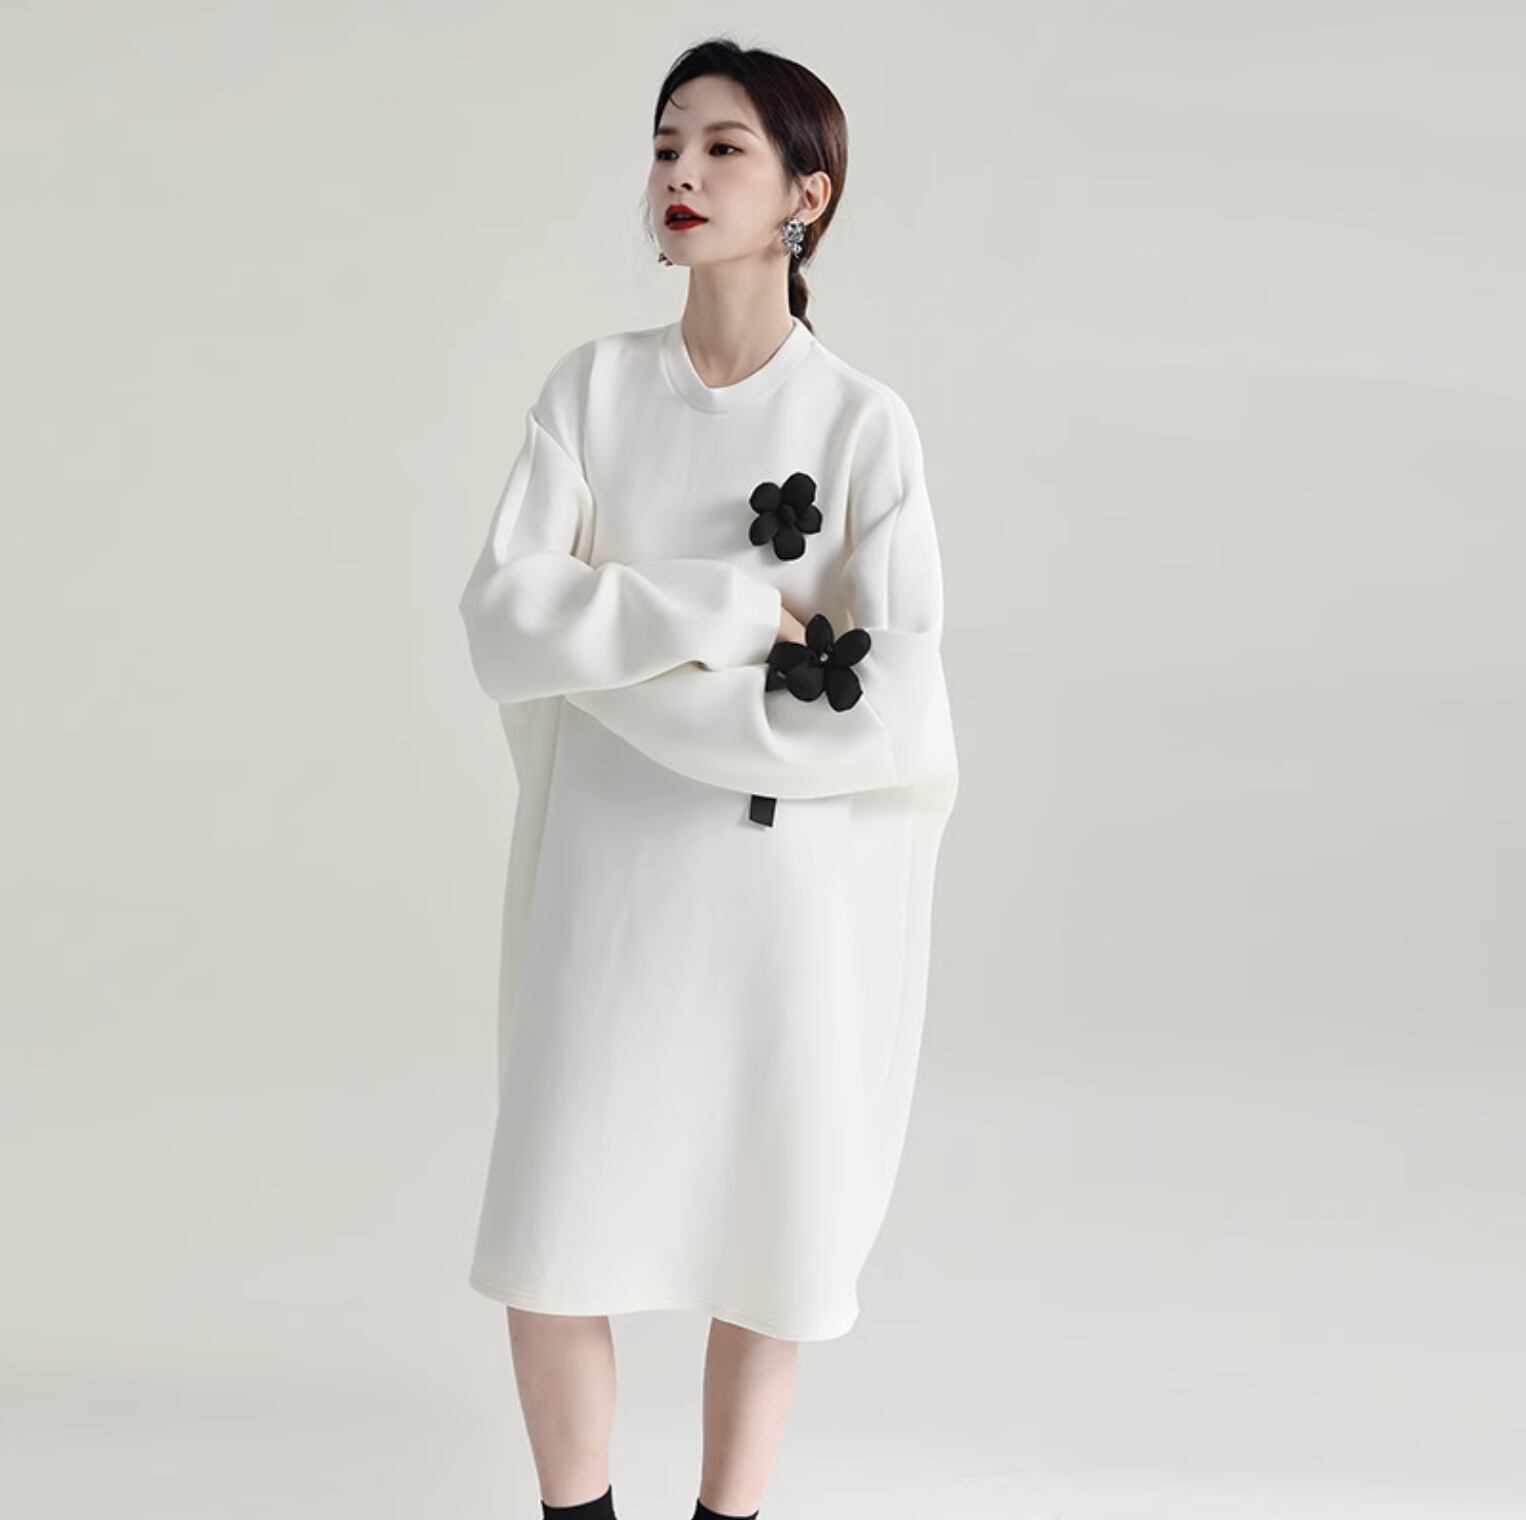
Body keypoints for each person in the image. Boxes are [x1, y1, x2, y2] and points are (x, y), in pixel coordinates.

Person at [457, 37, 959, 1520]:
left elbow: (887, 708)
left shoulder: (862, 424)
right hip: (604, 884)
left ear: (809, 193)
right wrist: (731, 616)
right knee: (555, 1229)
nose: (679, 172)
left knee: (768, 1232)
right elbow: (502, 624)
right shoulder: (593, 390)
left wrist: (615, 668)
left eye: (723, 147)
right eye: (667, 142)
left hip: (776, 900)